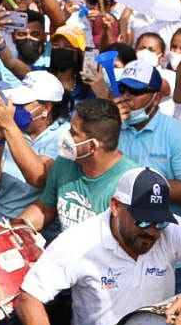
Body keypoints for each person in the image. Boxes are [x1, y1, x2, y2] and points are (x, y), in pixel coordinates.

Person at [16, 167, 181, 325]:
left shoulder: (171, 231)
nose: (152, 231)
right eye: (142, 220)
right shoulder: (79, 243)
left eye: (159, 222)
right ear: (115, 206)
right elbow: (29, 298)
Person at [114, 58, 181, 289]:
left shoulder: (179, 135)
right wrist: (108, 123)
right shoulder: (113, 129)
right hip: (123, 250)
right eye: (122, 88)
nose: (125, 97)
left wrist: (142, 184)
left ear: (156, 97)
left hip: (172, 257)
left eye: (134, 91)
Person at [18, 98, 137, 240]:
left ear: (92, 146)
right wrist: (11, 230)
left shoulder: (128, 184)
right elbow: (45, 208)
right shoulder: (65, 162)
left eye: (73, 133)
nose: (66, 136)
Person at [0, 70, 67, 226]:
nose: (15, 108)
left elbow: (38, 177)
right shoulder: (14, 130)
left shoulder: (63, 134)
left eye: (22, 104)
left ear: (46, 108)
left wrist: (10, 128)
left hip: (36, 233)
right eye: (15, 103)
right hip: (2, 224)